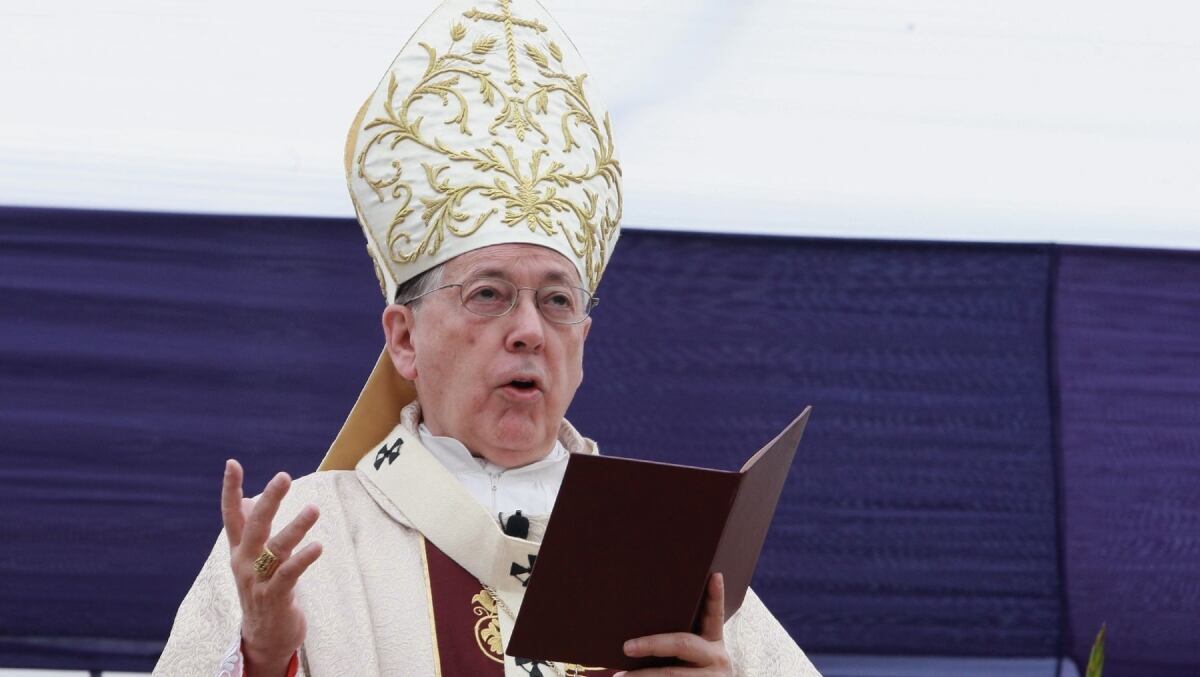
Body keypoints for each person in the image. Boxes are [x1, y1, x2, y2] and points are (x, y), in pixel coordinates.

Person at [156, 1, 821, 675]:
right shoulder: (299, 542)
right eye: (489, 294)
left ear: (583, 344)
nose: (530, 330)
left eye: (557, 300)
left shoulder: (670, 551)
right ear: (404, 337)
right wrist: (264, 657)